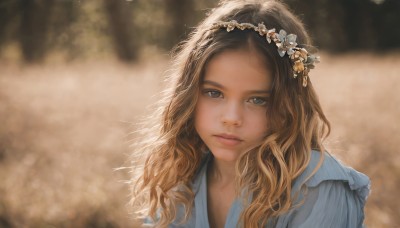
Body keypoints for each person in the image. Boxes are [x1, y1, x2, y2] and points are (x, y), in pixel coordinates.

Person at [130, 0, 370, 227]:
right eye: (214, 93)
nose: (232, 118)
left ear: (289, 106)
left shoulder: (316, 190)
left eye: (258, 100)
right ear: (188, 93)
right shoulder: (179, 180)